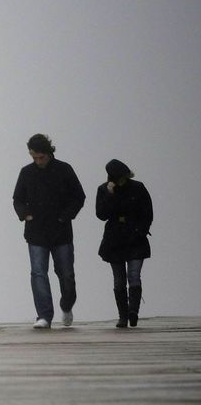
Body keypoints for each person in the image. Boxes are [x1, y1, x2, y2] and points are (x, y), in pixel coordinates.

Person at [12, 134, 86, 329]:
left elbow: (79, 197)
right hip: (36, 232)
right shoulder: (26, 172)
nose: (38, 161)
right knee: (38, 273)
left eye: (41, 157)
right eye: (34, 157)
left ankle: (67, 305)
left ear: (49, 153)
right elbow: (17, 199)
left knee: (66, 274)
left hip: (61, 231)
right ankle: (44, 315)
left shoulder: (64, 169)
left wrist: (65, 216)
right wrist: (25, 214)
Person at [96, 159, 153, 328]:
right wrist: (109, 194)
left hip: (135, 237)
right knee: (119, 279)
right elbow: (101, 214)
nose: (122, 181)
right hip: (114, 238)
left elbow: (148, 213)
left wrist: (140, 230)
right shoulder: (103, 190)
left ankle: (133, 312)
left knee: (134, 275)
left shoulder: (138, 187)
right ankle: (122, 316)